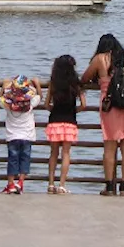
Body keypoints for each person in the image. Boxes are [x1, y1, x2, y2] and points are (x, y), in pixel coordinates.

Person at [81, 33, 124, 196]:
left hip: (110, 105)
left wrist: (99, 79)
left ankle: (109, 186)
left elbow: (84, 78)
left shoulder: (100, 59)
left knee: (110, 146)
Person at [45, 54, 84, 195]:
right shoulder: (75, 84)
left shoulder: (53, 83)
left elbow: (46, 104)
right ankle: (61, 184)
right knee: (66, 153)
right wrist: (73, 111)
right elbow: (83, 105)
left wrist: (54, 110)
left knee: (53, 153)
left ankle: (50, 183)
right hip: (70, 121)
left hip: (55, 120)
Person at [0, 75, 41, 194]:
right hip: (27, 136)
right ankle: (20, 182)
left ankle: (11, 184)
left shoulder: (7, 104)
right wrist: (37, 84)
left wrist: (3, 87)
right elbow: (39, 96)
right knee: (25, 159)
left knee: (12, 159)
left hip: (12, 136)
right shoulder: (31, 103)